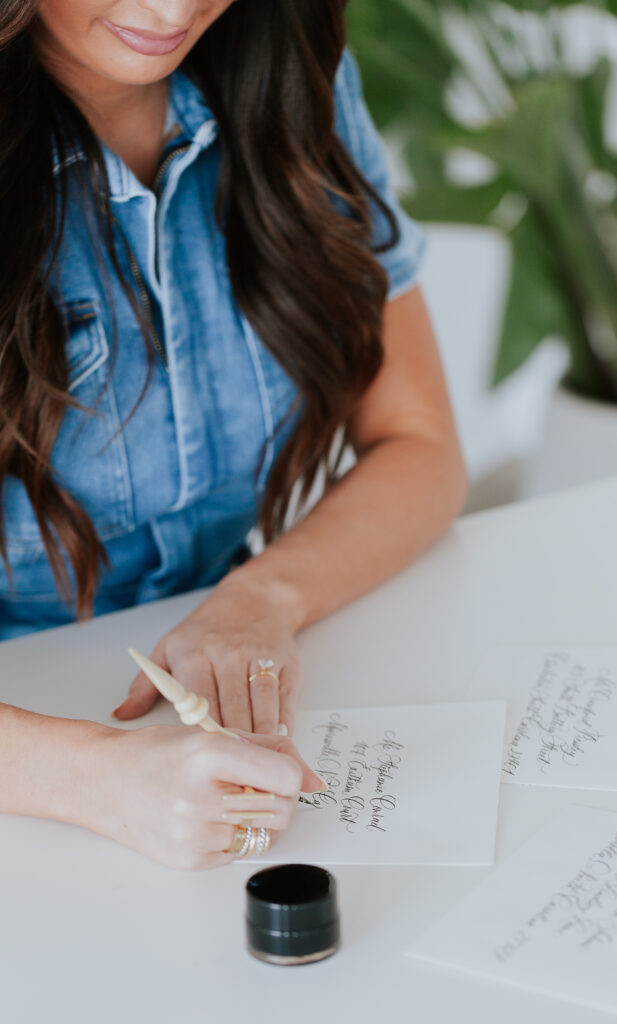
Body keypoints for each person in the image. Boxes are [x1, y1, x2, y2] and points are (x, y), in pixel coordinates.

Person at [0, 0, 468, 868]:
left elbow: (419, 442)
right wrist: (89, 776)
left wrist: (261, 600)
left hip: (206, 697)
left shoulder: (296, 83)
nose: (174, 9)